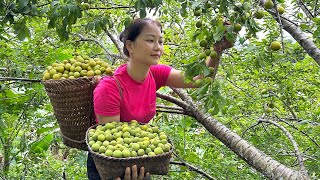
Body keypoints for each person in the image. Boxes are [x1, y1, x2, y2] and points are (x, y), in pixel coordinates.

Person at [87, 17, 234, 180]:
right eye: (150, 40)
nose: (158, 47)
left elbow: (199, 79)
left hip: (138, 159)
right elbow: (111, 145)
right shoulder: (109, 88)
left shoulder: (155, 73)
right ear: (130, 46)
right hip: (107, 167)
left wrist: (217, 48)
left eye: (161, 41)